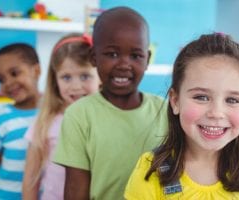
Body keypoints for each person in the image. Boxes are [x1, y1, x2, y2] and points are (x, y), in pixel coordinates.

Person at [124, 33, 239, 199]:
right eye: (201, 97)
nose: (216, 113)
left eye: (232, 100)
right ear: (175, 101)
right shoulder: (151, 170)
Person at [53, 6, 168, 200]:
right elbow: (75, 191)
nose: (124, 64)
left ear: (147, 59)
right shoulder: (79, 115)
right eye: (112, 54)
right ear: (94, 58)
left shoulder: (165, 111)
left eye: (135, 55)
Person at [22, 33, 100, 200]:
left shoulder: (108, 119)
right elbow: (30, 179)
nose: (76, 86)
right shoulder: (45, 121)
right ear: (55, 80)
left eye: (85, 76)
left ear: (100, 76)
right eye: (66, 77)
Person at [0, 43, 41, 199]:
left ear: (36, 71)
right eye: (1, 79)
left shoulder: (53, 112)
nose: (8, 83)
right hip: (6, 195)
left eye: (14, 73)